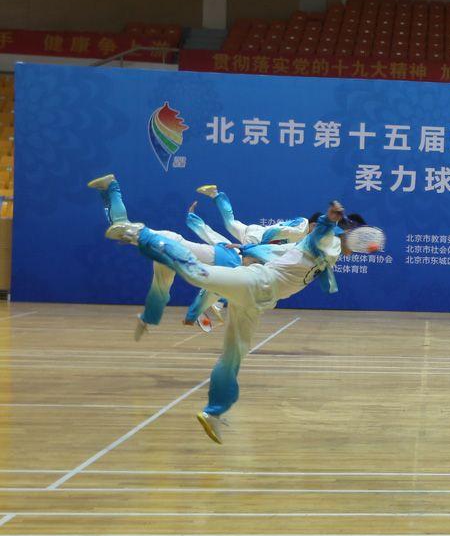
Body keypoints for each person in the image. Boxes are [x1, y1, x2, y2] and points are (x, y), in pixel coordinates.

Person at [96, 174, 365, 444]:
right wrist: (329, 221)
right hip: (257, 282)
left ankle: (214, 412)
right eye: (359, 238)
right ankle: (138, 232)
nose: (361, 245)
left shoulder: (324, 251)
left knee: (234, 353)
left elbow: (281, 252)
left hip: (259, 301)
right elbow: (317, 237)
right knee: (198, 275)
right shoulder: (328, 240)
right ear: (345, 232)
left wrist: (246, 247)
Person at [88, 174, 228, 340]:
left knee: (160, 288)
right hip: (169, 244)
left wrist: (213, 305)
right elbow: (216, 285)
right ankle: (111, 186)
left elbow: (216, 286)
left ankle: (147, 319)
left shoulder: (233, 266)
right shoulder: (233, 257)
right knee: (121, 228)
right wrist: (200, 311)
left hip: (169, 258)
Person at [195, 184, 311, 245]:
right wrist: (261, 243)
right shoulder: (301, 231)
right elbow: (276, 231)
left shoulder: (301, 226)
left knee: (230, 223)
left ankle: (214, 193)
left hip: (255, 231)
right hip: (257, 239)